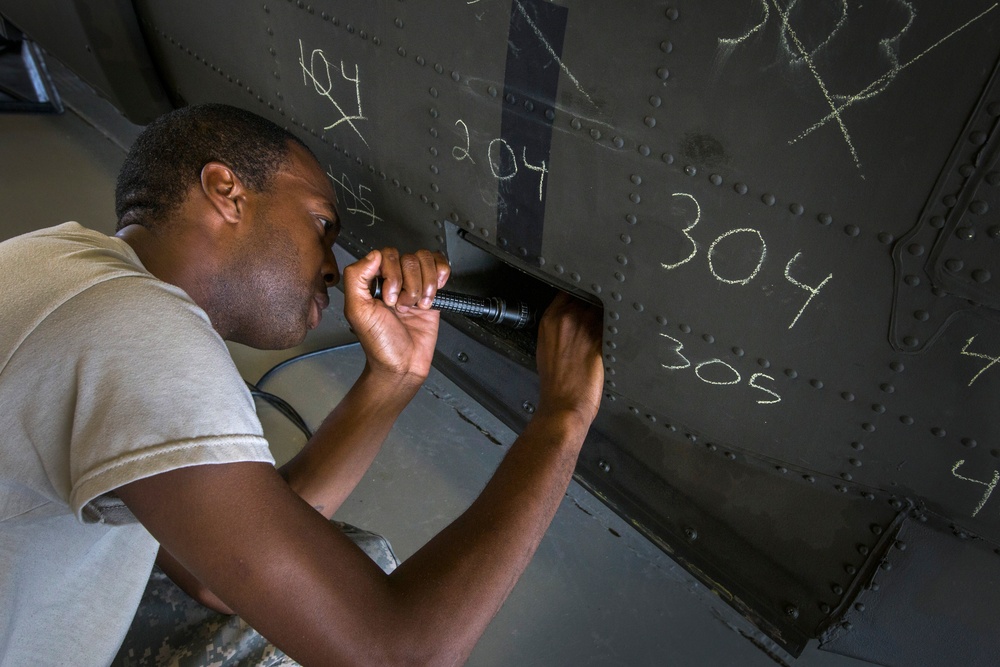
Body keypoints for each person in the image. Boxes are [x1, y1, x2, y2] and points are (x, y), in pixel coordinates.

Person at [0, 103, 604, 665]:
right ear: (226, 191)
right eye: (321, 223)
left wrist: (392, 379)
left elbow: (210, 575)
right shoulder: (135, 330)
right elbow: (394, 652)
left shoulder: (61, 264)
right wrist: (562, 418)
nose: (331, 266)